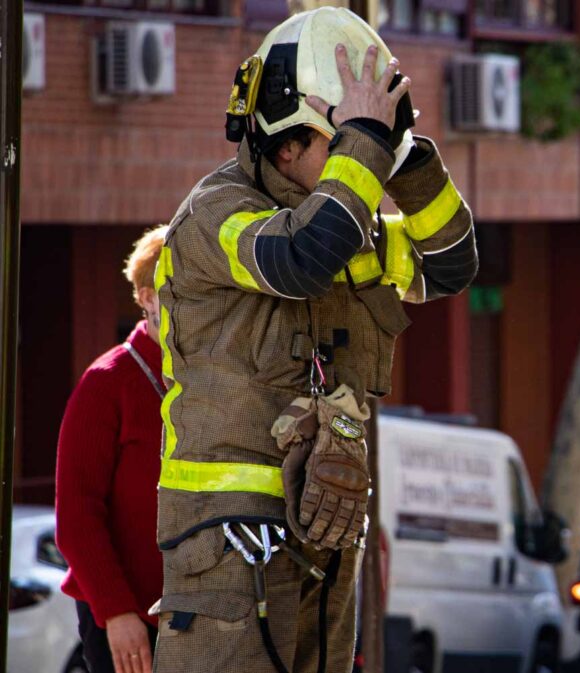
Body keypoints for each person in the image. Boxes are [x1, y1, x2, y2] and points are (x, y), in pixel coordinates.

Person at [151, 8, 476, 673]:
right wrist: (362, 143)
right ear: (285, 143)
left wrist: (406, 158)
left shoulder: (347, 224)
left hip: (324, 527)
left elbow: (450, 264)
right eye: (344, 142)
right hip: (230, 540)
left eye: (367, 147)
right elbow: (299, 258)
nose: (361, 165)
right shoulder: (218, 214)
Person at [55, 226, 169, 673]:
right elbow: (77, 519)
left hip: (197, 616)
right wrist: (117, 613)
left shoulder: (207, 380)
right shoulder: (107, 381)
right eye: (175, 292)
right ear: (146, 298)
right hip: (125, 620)